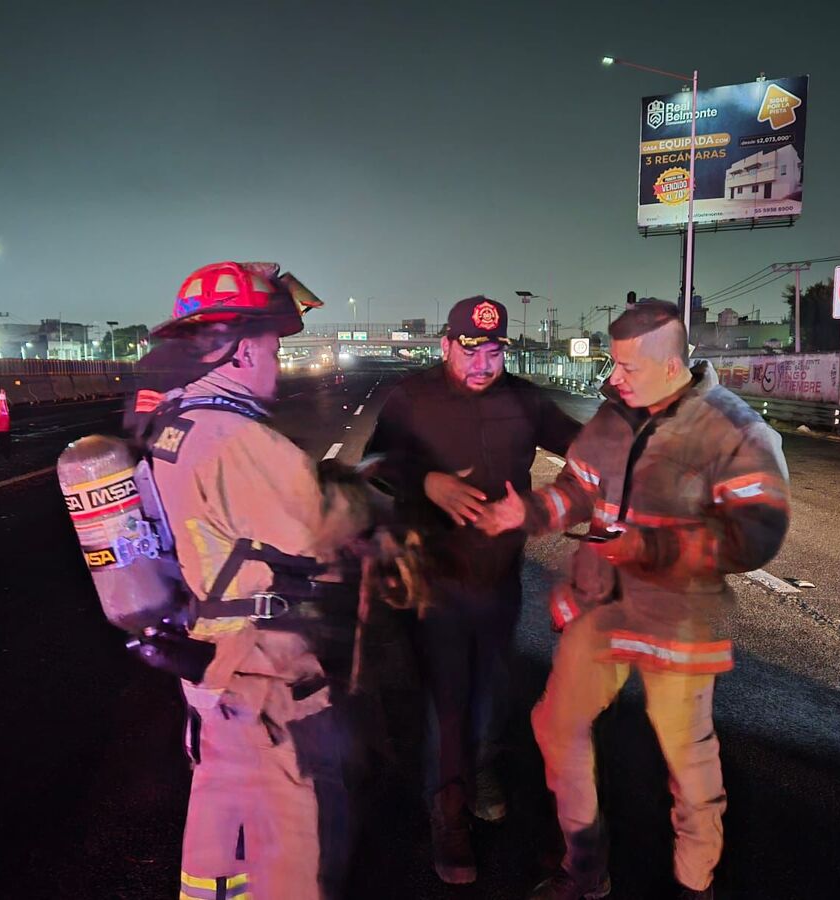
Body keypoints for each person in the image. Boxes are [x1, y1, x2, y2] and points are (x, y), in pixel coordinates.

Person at [479, 299, 790, 900]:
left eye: (626, 367)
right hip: (601, 606)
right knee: (554, 724)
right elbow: (579, 489)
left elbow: (756, 535)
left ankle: (692, 884)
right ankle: (584, 867)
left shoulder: (735, 431)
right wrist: (534, 511)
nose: (612, 378)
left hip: (678, 620)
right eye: (612, 364)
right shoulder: (613, 418)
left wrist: (648, 546)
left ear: (672, 365)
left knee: (688, 763)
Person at [135, 261, 369, 900]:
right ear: (240, 350)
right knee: (289, 839)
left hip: (210, 666)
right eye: (271, 344)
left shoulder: (175, 419)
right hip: (262, 673)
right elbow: (327, 537)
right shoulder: (243, 442)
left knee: (221, 822)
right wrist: (371, 491)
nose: (278, 360)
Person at [363, 295, 581, 884]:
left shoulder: (524, 398)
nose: (483, 363)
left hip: (499, 576)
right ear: (445, 345)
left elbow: (587, 452)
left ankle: (476, 770)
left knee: (489, 688)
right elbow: (375, 460)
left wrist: (547, 503)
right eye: (470, 350)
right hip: (432, 575)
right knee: (450, 698)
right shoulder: (413, 397)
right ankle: (448, 811)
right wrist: (427, 480)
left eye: (492, 351)